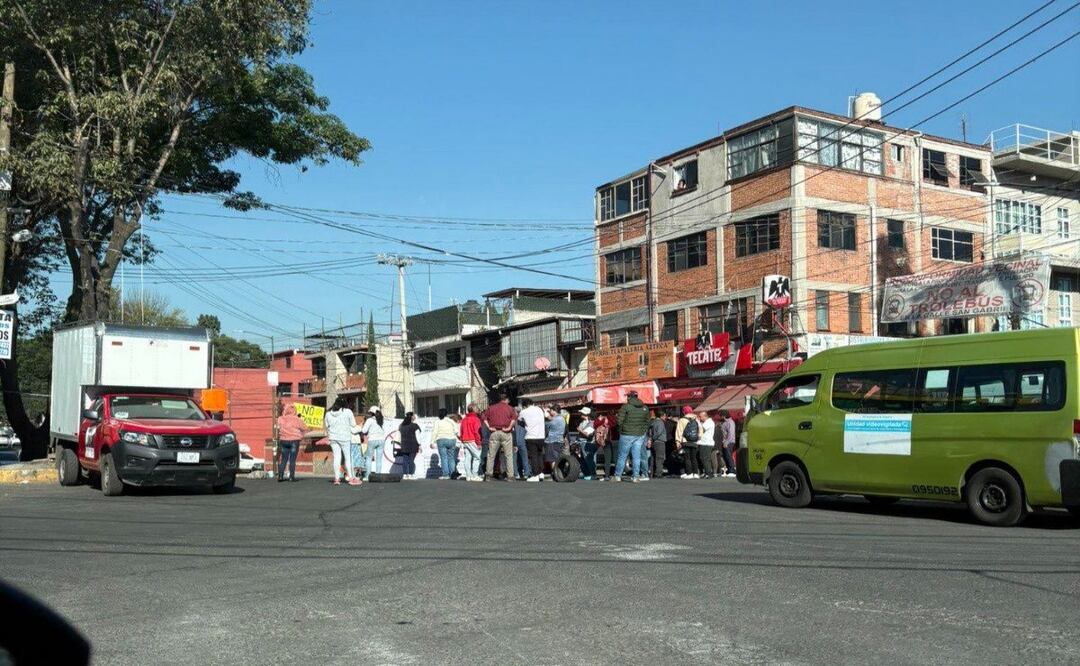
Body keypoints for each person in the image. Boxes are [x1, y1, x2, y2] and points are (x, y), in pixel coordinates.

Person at [613, 390, 649, 483]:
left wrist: (621, 430)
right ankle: (635, 477)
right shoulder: (645, 407)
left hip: (626, 434)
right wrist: (642, 431)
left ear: (629, 397)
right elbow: (647, 422)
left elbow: (619, 421)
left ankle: (617, 476)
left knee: (622, 456)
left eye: (627, 396)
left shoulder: (625, 407)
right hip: (639, 435)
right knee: (636, 456)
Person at [324, 398, 361, 486]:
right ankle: (351, 478)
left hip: (333, 438)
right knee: (348, 458)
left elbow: (327, 425)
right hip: (345, 438)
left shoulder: (328, 413)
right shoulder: (347, 412)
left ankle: (337, 479)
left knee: (337, 457)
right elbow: (353, 424)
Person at [482, 394, 516, 481]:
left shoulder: (491, 408)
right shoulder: (510, 408)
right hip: (506, 432)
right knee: (508, 455)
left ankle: (488, 475)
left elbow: (484, 417)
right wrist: (509, 427)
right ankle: (510, 476)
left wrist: (489, 426)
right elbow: (513, 419)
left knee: (491, 455)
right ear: (506, 399)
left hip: (494, 432)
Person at [275, 404, 308, 482]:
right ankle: (291, 477)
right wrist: (302, 435)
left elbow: (278, 427)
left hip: (283, 440)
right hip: (294, 441)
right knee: (292, 460)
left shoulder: (280, 419)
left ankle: (280, 476)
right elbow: (305, 428)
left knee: (283, 459)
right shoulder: (297, 419)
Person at [519, 398, 546, 482]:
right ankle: (541, 473)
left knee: (533, 456)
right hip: (541, 435)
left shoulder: (523, 412)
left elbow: (519, 420)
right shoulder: (539, 409)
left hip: (530, 436)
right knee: (539, 454)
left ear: (525, 405)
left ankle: (535, 475)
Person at [431, 407, 459, 480]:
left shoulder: (437, 422)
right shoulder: (451, 421)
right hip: (452, 439)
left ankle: (445, 474)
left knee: (444, 457)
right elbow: (456, 431)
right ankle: (452, 474)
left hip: (441, 439)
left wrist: (432, 442)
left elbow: (435, 432)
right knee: (451, 457)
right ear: (447, 414)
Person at [459, 404, 483, 482]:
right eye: (476, 408)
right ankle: (475, 474)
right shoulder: (476, 419)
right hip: (473, 440)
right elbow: (477, 432)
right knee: (477, 457)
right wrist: (479, 443)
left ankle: (468, 475)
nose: (478, 409)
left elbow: (461, 430)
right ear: (474, 410)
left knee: (468, 458)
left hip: (465, 440)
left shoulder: (464, 419)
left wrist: (462, 439)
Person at [676, 406, 701, 479]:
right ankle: (696, 473)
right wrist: (698, 438)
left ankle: (689, 473)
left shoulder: (682, 420)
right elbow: (700, 430)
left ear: (684, 412)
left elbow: (679, 431)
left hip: (685, 441)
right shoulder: (696, 419)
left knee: (687, 458)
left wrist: (678, 441)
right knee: (694, 458)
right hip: (694, 441)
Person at [362, 406, 386, 481]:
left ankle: (368, 476)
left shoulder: (369, 420)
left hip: (372, 440)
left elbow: (363, 431)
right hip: (381, 440)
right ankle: (378, 476)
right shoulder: (381, 420)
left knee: (368, 458)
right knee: (379, 459)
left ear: (371, 413)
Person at [398, 412, 421, 479]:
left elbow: (399, 435)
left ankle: (405, 474)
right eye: (413, 416)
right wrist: (419, 445)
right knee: (411, 460)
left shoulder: (401, 426)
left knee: (405, 460)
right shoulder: (415, 425)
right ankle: (411, 474)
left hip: (404, 444)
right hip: (413, 445)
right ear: (412, 417)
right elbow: (418, 436)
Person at [576, 407, 597, 480]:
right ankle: (587, 474)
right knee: (582, 459)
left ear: (586, 414)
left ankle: (592, 474)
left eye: (582, 413)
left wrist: (580, 430)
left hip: (587, 443)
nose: (580, 414)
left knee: (588, 459)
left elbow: (588, 434)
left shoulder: (591, 423)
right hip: (581, 442)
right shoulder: (582, 422)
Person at [648, 410, 667, 479]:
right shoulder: (660, 422)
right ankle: (659, 473)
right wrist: (654, 438)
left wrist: (651, 439)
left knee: (653, 458)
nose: (665, 417)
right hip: (659, 442)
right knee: (660, 458)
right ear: (661, 416)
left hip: (654, 443)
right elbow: (659, 432)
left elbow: (650, 432)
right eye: (664, 416)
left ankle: (652, 473)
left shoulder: (653, 422)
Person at [697, 410, 717, 479]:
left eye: (700, 417)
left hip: (706, 443)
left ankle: (709, 473)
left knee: (705, 458)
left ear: (705, 416)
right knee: (704, 458)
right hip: (704, 442)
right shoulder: (706, 422)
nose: (699, 418)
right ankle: (707, 472)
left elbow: (702, 429)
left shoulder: (709, 422)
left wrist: (698, 422)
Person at [718, 410, 737, 478]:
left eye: (721, 415)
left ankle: (732, 470)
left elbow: (731, 434)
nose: (720, 417)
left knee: (728, 456)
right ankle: (729, 470)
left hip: (729, 442)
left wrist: (727, 442)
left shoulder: (730, 422)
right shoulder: (725, 422)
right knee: (726, 456)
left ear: (724, 415)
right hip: (725, 442)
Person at [594, 414, 611, 478]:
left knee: (595, 456)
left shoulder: (598, 419)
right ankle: (607, 474)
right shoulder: (607, 419)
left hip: (600, 440)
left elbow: (595, 425)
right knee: (608, 458)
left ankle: (606, 474)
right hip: (606, 439)